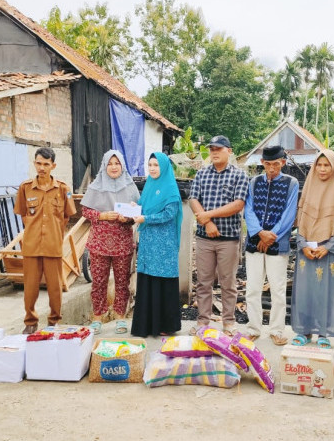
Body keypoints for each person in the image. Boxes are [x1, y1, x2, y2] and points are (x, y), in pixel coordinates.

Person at [189, 135, 248, 336]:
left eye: (218, 149)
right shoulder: (202, 174)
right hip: (205, 239)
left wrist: (208, 215)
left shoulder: (239, 175)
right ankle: (203, 322)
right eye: (211, 149)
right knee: (203, 282)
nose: (214, 152)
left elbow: (238, 204)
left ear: (229, 151)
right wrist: (207, 222)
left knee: (228, 282)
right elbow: (193, 199)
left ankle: (228, 322)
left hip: (228, 239)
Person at [291, 149, 334, 349]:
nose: (322, 169)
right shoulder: (308, 187)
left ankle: (324, 332)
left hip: (329, 252)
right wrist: (302, 244)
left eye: (327, 165)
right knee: (305, 290)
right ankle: (304, 331)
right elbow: (301, 220)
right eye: (319, 165)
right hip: (306, 250)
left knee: (327, 291)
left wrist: (328, 247)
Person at [14, 147, 76, 334]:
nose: (42, 168)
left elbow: (66, 216)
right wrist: (33, 230)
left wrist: (53, 232)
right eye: (39, 163)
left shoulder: (63, 188)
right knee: (30, 287)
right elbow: (23, 214)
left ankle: (54, 321)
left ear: (53, 166)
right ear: (34, 163)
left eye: (46, 164)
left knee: (55, 286)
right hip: (31, 246)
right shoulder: (25, 188)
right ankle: (30, 322)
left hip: (53, 245)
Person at [243, 145, 299, 346]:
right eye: (268, 164)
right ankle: (253, 328)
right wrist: (259, 233)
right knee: (253, 288)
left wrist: (271, 236)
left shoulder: (291, 183)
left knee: (277, 289)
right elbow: (248, 210)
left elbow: (289, 215)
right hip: (254, 243)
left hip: (278, 243)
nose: (272, 168)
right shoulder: (253, 182)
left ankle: (276, 330)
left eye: (276, 164)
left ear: (283, 163)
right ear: (262, 163)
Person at [82, 150, 140, 335]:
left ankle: (120, 317)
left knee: (122, 281)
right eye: (110, 163)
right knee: (99, 281)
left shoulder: (130, 186)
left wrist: (128, 218)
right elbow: (85, 211)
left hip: (122, 241)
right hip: (99, 242)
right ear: (104, 165)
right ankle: (97, 317)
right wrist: (102, 215)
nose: (114, 167)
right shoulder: (95, 186)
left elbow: (138, 212)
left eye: (117, 163)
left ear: (122, 165)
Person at [131, 152, 183, 337]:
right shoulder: (149, 186)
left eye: (156, 165)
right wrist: (134, 208)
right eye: (150, 165)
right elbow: (143, 207)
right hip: (148, 243)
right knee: (148, 281)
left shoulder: (170, 187)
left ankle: (164, 325)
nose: (152, 168)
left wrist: (146, 217)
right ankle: (146, 325)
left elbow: (169, 214)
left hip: (164, 245)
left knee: (162, 281)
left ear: (164, 167)